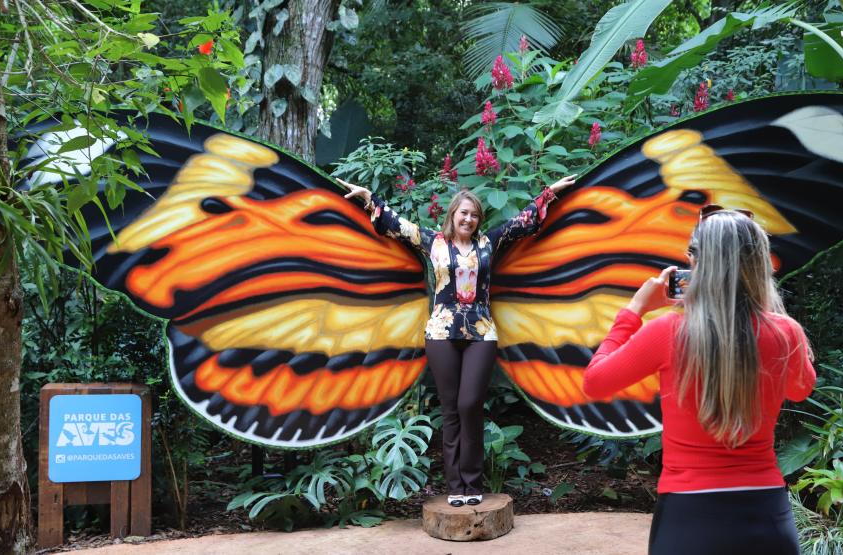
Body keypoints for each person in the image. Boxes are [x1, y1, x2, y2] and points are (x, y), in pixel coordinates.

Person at [583, 205, 815, 555]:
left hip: (687, 519)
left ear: (697, 261)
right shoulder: (785, 333)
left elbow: (595, 381)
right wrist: (773, 317)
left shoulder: (668, 331)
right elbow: (802, 389)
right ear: (759, 264)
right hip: (766, 518)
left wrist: (633, 311)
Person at [338, 174, 576, 507]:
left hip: (481, 331)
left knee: (470, 405)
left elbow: (524, 222)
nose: (468, 219)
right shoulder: (431, 241)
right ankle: (456, 487)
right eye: (463, 213)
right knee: (450, 410)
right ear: (452, 215)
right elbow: (394, 224)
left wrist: (550, 193)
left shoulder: (489, 243)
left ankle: (473, 481)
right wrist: (368, 198)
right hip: (440, 332)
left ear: (479, 220)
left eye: (474, 215)